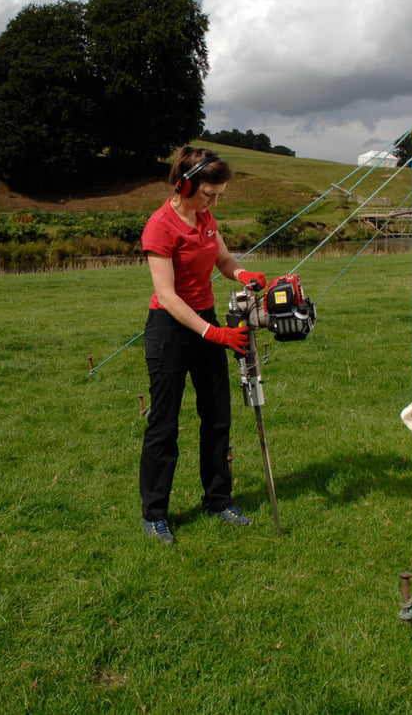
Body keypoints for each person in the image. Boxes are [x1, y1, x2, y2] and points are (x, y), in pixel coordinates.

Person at [138, 146, 267, 544]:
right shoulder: (159, 225)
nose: (213, 202)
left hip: (207, 321)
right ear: (184, 184)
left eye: (219, 195)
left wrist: (245, 273)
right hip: (170, 329)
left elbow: (224, 263)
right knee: (164, 424)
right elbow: (169, 295)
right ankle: (155, 513)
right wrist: (214, 334)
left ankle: (219, 500)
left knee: (217, 417)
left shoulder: (205, 218)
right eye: (209, 194)